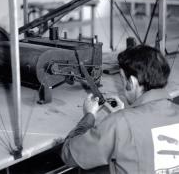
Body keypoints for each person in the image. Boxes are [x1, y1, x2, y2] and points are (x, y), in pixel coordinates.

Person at [61, 45, 179, 174]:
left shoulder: (120, 123)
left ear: (132, 83)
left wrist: (89, 116)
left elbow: (69, 155)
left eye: (122, 80)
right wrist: (122, 115)